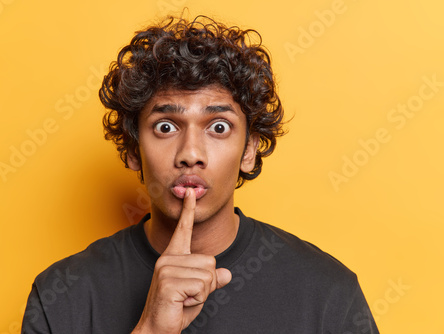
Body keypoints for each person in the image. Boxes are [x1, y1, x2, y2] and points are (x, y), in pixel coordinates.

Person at [21, 15, 379, 333]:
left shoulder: (329, 294)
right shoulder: (62, 295)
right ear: (133, 150)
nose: (190, 154)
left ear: (249, 151)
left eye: (219, 127)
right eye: (165, 127)